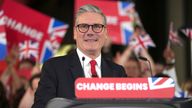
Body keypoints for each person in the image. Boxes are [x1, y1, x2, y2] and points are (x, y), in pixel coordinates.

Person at [32, 4, 127, 108]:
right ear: (74, 33)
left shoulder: (118, 72)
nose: (90, 32)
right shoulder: (54, 67)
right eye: (83, 26)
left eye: (97, 27)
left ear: (105, 33)